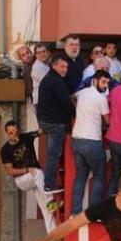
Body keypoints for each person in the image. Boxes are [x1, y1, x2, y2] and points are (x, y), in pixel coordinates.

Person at [0, 120, 58, 232]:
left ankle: (53, 235)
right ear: (7, 134)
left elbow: (40, 132)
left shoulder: (26, 137)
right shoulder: (5, 150)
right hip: (21, 179)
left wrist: (52, 124)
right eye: (11, 133)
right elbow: (9, 171)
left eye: (16, 131)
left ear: (18, 130)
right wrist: (27, 170)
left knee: (44, 208)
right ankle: (50, 201)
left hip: (35, 179)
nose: (14, 135)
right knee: (38, 173)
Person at [70, 70, 111, 215]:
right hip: (93, 141)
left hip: (77, 139)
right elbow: (108, 121)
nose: (105, 85)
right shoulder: (101, 99)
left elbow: (72, 98)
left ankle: (75, 212)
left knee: (80, 177)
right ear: (95, 80)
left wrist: (79, 110)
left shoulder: (82, 93)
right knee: (99, 176)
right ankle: (94, 213)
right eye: (103, 82)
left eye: (107, 83)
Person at [37, 54, 74, 194]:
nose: (65, 70)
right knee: (54, 154)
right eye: (62, 66)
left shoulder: (49, 79)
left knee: (51, 153)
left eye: (66, 67)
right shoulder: (56, 81)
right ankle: (49, 184)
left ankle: (49, 182)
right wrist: (73, 112)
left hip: (46, 121)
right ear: (54, 66)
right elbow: (66, 105)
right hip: (55, 123)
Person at [29, 42, 51, 131]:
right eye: (39, 52)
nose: (42, 54)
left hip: (44, 102)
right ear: (36, 55)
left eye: (44, 51)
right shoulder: (38, 67)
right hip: (42, 102)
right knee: (49, 131)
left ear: (48, 52)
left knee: (49, 131)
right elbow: (49, 84)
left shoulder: (45, 65)